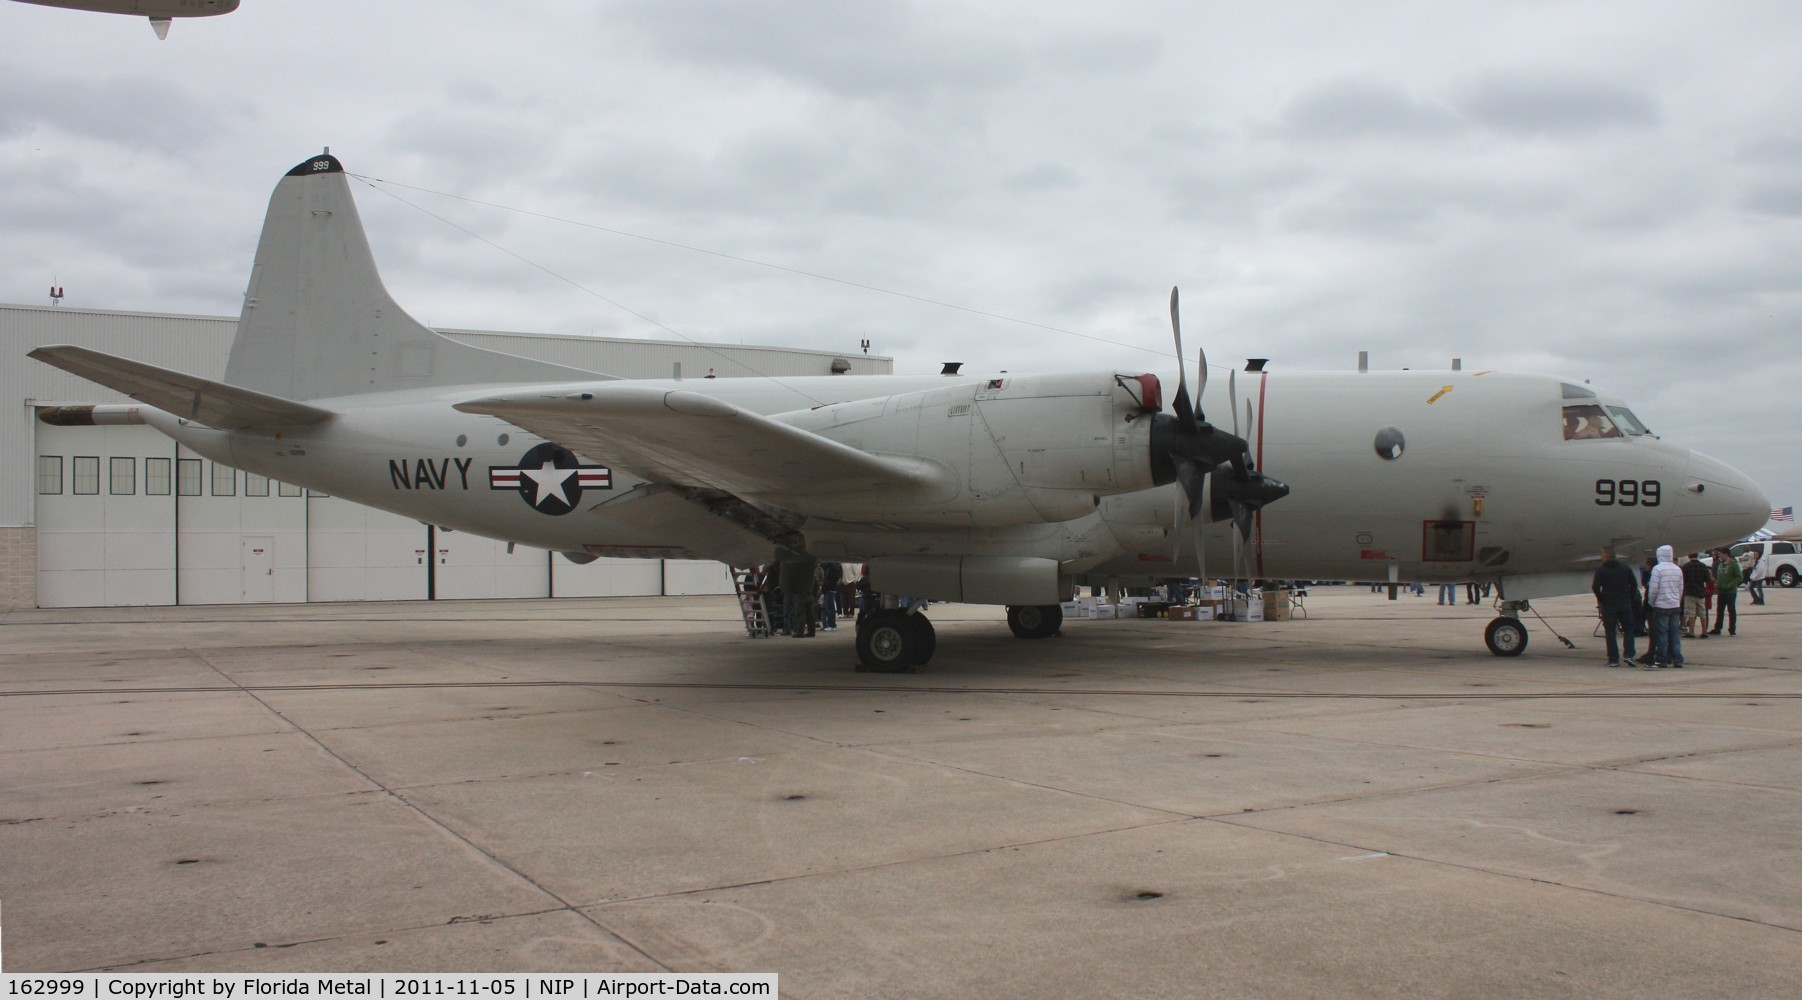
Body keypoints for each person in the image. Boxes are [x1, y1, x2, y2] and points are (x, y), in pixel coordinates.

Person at [1591, 546, 1640, 667]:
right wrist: (1630, 597)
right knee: (1628, 629)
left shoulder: (1601, 570)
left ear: (1606, 557)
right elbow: (1634, 584)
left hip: (1609, 604)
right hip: (1624, 603)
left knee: (1610, 632)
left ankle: (1613, 659)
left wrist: (1601, 598)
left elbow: (1595, 587)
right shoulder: (1625, 568)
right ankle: (1629, 654)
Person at [1647, 545, 1685, 668]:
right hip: (1674, 604)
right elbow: (1680, 588)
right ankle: (1677, 659)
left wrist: (1651, 602)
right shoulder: (1677, 569)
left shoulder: (1658, 569)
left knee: (1662, 633)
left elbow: (1653, 589)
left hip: (1661, 604)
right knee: (1674, 633)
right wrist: (1677, 601)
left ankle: (1661, 659)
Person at [1710, 547, 1741, 636]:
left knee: (1731, 610)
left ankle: (1732, 629)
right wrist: (1716, 583)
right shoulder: (1721, 565)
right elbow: (1719, 576)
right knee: (1720, 610)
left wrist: (1730, 585)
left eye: (1721, 554)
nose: (1720, 556)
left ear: (1726, 554)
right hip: (1721, 591)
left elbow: (1739, 577)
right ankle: (1717, 628)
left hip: (1730, 592)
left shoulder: (1734, 564)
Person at [1681, 553, 1712, 639]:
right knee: (1702, 613)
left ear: (1688, 556)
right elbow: (1707, 579)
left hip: (1689, 592)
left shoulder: (1686, 566)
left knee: (1691, 613)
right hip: (1701, 592)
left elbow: (1682, 579)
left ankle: (1691, 632)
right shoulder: (1703, 566)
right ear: (1697, 556)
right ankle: (1704, 632)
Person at [819, 562, 843, 632]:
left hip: (829, 590)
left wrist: (825, 588)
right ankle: (831, 624)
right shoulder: (831, 567)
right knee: (829, 608)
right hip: (830, 589)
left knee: (829, 608)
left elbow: (830, 580)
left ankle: (831, 625)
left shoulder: (831, 568)